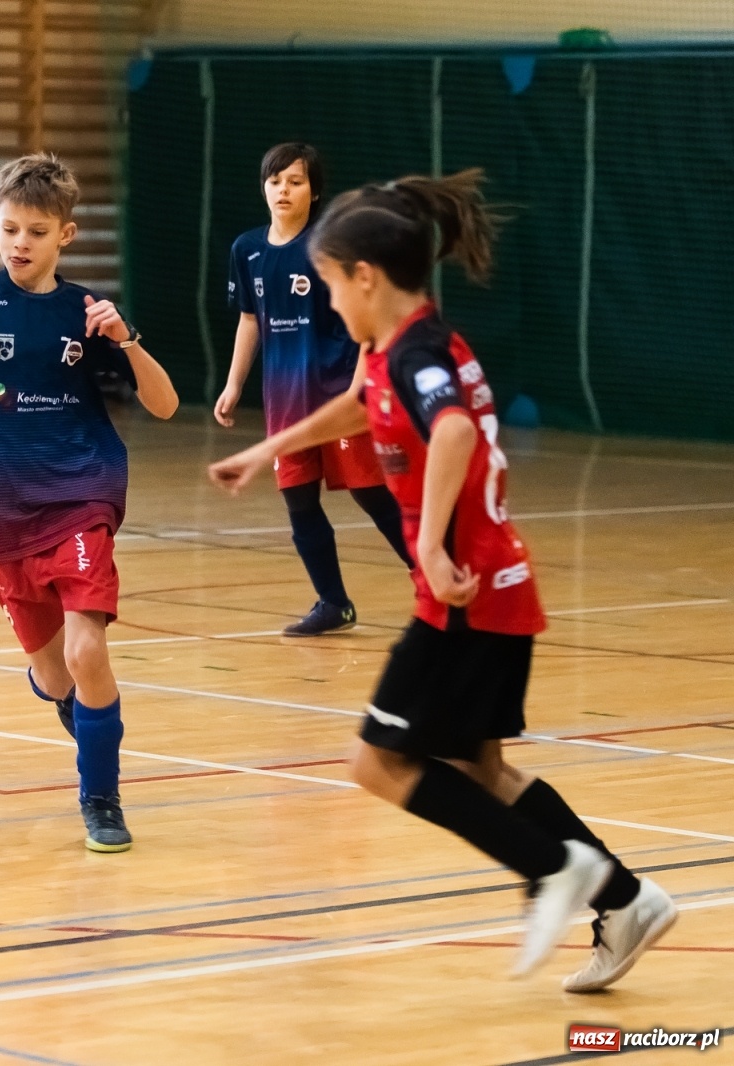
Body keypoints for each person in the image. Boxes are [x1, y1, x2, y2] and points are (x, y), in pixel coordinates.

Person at [207, 170, 675, 987]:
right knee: (479, 769)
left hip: (462, 591)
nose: (328, 303)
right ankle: (627, 900)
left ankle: (556, 873)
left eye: (329, 286)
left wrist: (425, 544)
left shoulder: (421, 353)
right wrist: (265, 449)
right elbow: (361, 407)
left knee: (377, 763)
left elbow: (452, 430)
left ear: (366, 278)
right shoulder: (404, 343)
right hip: (495, 590)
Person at [0, 154, 179, 852]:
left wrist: (127, 341)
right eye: (10, 228)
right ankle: (84, 728)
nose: (20, 242)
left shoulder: (88, 313)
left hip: (81, 493)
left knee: (85, 654)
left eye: (37, 231)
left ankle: (100, 798)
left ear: (66, 235)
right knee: (54, 675)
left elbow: (163, 406)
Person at [217, 143, 412, 636]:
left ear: (315, 190)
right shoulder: (248, 249)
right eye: (275, 180)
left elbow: (368, 321)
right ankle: (332, 603)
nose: (283, 190)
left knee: (372, 495)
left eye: (295, 181)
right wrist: (234, 382)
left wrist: (359, 385)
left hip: (339, 395)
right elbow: (248, 319)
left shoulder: (332, 249)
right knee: (299, 500)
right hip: (286, 400)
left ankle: (432, 580)